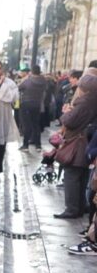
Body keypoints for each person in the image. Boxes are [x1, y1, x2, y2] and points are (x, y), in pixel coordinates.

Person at [53, 69, 97, 219]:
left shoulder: (84, 102)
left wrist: (66, 113)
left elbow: (69, 121)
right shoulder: (93, 101)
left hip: (78, 142)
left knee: (71, 175)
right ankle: (81, 206)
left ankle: (72, 208)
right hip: (87, 141)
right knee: (82, 175)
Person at [18, 65, 47, 151]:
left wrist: (26, 78)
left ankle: (25, 145)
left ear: (32, 71)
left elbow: (19, 87)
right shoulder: (43, 81)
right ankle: (38, 145)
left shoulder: (28, 81)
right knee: (36, 125)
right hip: (37, 104)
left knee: (26, 125)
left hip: (26, 104)